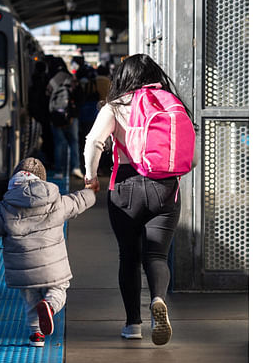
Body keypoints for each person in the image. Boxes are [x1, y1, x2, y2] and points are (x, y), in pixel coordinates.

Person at [82, 54, 194, 346]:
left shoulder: (115, 106)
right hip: (166, 188)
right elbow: (191, 156)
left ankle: (133, 325)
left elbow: (93, 141)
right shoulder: (172, 102)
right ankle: (158, 298)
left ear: (123, 77)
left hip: (126, 187)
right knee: (156, 255)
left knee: (128, 257)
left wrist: (91, 176)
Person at [0, 157, 95, 347]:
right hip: (53, 267)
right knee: (59, 289)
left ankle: (37, 336)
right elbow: (79, 201)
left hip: (23, 271)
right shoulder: (57, 201)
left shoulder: (4, 208)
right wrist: (91, 191)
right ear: (41, 179)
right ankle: (50, 307)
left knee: (31, 301)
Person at [46, 61, 84, 179]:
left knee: (59, 143)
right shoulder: (71, 79)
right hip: (71, 117)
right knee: (73, 142)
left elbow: (46, 97)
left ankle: (59, 171)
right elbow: (80, 97)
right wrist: (74, 113)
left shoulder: (51, 81)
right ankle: (76, 168)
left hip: (56, 117)